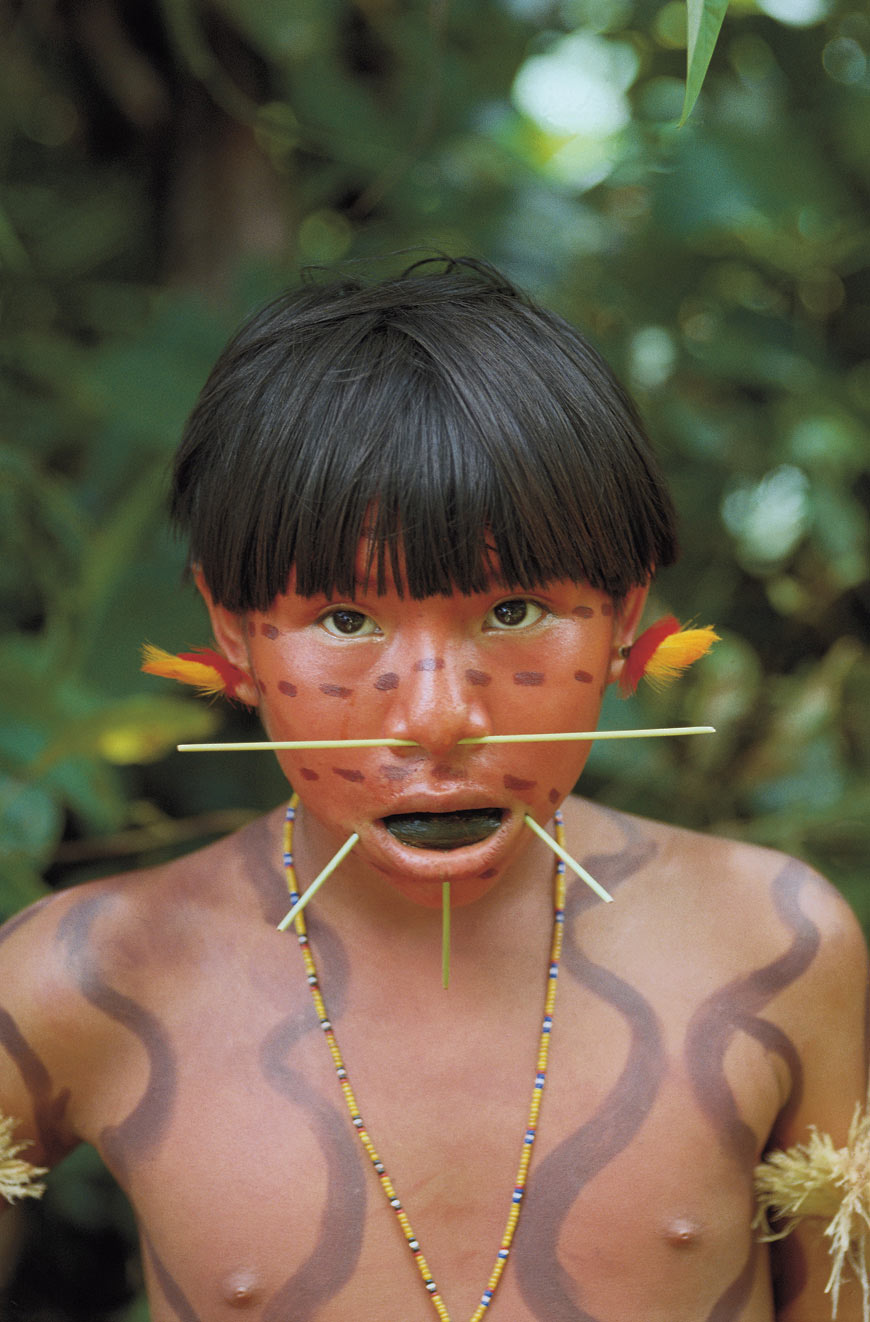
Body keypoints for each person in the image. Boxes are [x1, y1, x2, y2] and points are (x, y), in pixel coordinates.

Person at [0, 257, 867, 1322]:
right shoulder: (83, 981)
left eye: (513, 612)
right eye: (347, 621)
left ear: (625, 614)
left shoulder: (773, 946)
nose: (436, 715)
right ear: (232, 631)